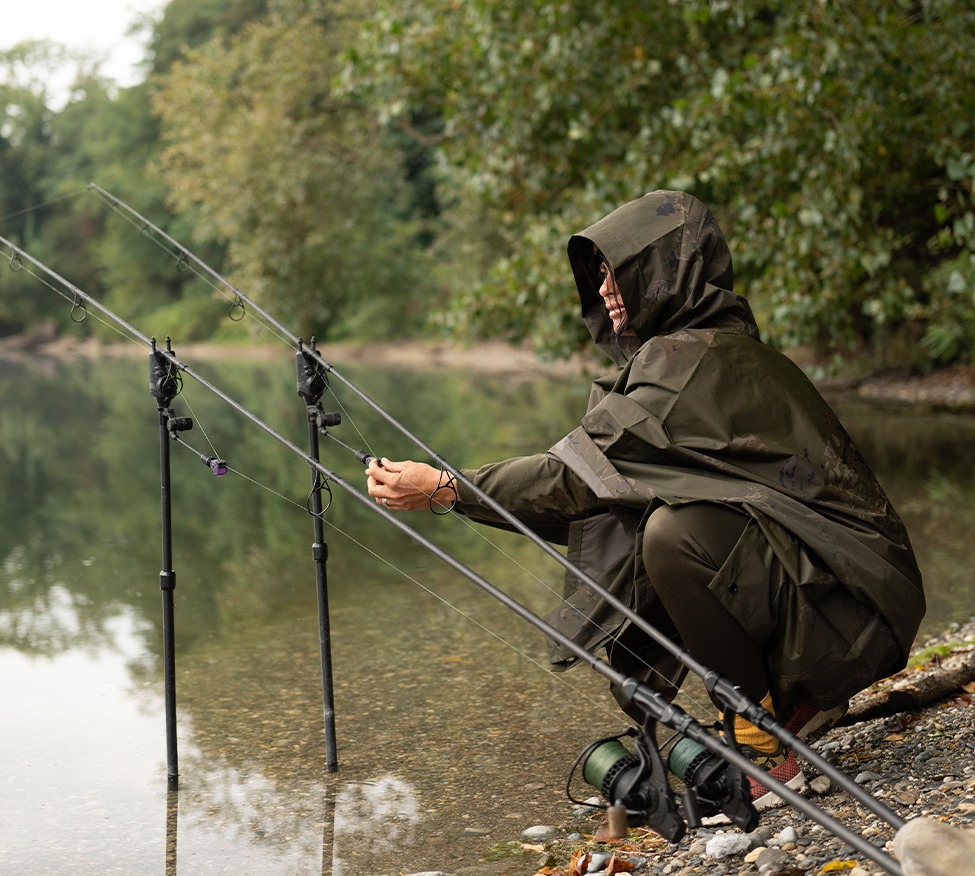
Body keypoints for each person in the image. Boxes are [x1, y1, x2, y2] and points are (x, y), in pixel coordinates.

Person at [366, 190, 926, 809]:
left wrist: (445, 487)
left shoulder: (690, 363)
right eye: (599, 275)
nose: (604, 289)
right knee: (654, 522)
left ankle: (764, 750)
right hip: (852, 603)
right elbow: (595, 500)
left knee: (672, 537)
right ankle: (792, 706)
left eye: (618, 271)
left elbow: (570, 481)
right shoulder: (703, 351)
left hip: (855, 615)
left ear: (666, 271)